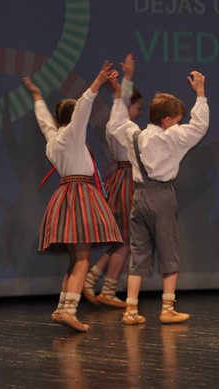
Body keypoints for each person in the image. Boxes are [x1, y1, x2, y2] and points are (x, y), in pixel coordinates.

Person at [24, 62, 123, 332]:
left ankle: (62, 308)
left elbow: (43, 121)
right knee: (82, 259)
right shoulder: (71, 136)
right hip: (80, 196)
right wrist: (97, 82)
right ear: (74, 120)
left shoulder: (53, 139)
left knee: (75, 259)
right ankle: (69, 311)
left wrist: (37, 97)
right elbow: (84, 106)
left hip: (65, 196)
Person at [107, 69, 209, 325]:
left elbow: (115, 125)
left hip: (139, 196)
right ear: (166, 120)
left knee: (138, 251)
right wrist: (200, 93)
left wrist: (118, 97)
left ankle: (130, 310)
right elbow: (199, 126)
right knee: (169, 250)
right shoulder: (172, 137)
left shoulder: (135, 135)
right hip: (161, 196)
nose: (178, 124)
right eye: (176, 120)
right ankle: (167, 308)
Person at [83, 54, 144, 308]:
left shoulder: (117, 126)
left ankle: (93, 280)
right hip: (126, 181)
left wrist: (121, 86)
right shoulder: (120, 127)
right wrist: (126, 81)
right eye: (138, 108)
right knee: (126, 240)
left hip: (121, 179)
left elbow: (121, 104)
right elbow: (122, 103)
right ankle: (106, 289)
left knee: (122, 239)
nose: (139, 113)